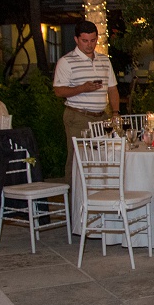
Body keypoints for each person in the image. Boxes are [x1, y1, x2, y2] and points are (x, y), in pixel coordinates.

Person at [53, 20, 119, 185]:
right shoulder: (66, 61)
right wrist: (82, 88)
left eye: (93, 40)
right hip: (78, 116)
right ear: (76, 39)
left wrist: (116, 113)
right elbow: (59, 91)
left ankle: (98, 196)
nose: (89, 45)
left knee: (102, 158)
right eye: (85, 41)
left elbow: (112, 89)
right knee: (77, 158)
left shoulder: (104, 60)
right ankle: (75, 201)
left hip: (101, 117)